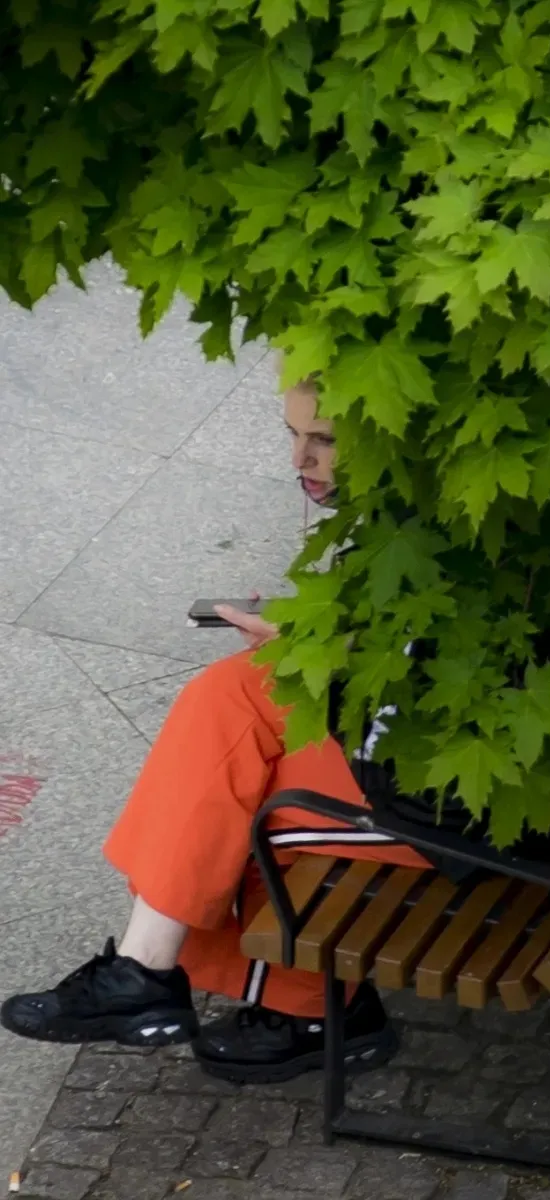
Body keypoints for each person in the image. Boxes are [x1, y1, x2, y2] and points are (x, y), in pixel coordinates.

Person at [1, 377, 430, 1085]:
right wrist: (315, 637)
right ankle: (162, 975)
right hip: (420, 743)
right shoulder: (416, 512)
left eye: (324, 440)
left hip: (451, 793)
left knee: (243, 794)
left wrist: (323, 648)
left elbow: (453, 668)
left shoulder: (462, 525)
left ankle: (252, 996)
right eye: (292, 434)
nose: (300, 459)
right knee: (232, 700)